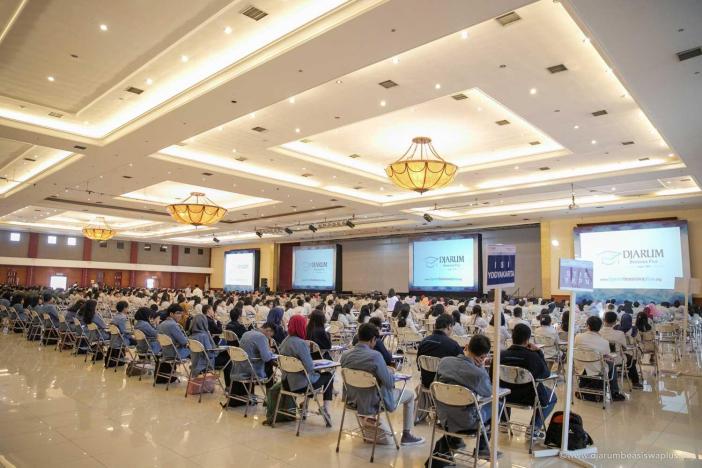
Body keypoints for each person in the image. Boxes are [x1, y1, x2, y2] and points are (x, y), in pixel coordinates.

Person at [340, 323, 425, 446]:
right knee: (410, 395)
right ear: (373, 340)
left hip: (353, 399)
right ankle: (407, 435)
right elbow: (389, 383)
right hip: (373, 401)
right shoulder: (375, 356)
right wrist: (390, 371)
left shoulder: (345, 355)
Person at [430, 334, 501, 461]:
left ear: (467, 347)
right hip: (467, 421)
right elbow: (488, 392)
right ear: (483, 357)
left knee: (455, 404)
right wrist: (482, 368)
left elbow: (435, 387)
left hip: (443, 416)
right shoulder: (478, 374)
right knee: (497, 404)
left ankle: (455, 440)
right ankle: (482, 448)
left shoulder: (444, 362)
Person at [500, 324, 557, 436]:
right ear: (527, 340)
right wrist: (539, 352)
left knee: (505, 384)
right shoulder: (532, 357)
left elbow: (493, 376)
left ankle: (503, 423)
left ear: (512, 337)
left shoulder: (501, 355)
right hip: (529, 397)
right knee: (552, 396)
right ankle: (534, 428)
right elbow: (545, 374)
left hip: (505, 396)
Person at [278, 315, 334, 420]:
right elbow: (309, 368)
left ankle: (305, 405)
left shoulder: (285, 341)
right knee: (328, 376)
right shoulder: (301, 343)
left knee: (312, 377)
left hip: (286, 382)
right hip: (300, 384)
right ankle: (326, 408)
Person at [574, 316, 625, 401]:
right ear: (600, 327)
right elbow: (606, 355)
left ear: (587, 325)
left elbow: (576, 348)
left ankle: (585, 388)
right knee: (612, 364)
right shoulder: (604, 342)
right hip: (596, 369)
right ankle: (614, 393)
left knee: (602, 361)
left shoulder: (578, 337)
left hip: (580, 367)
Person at [417, 315, 463, 388]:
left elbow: (419, 366)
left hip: (426, 384)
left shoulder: (424, 342)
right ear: (449, 326)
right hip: (445, 387)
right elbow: (462, 367)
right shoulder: (453, 345)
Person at [600, 311, 642, 389]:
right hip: (616, 359)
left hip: (601, 358)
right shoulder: (619, 334)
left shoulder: (599, 332)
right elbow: (624, 347)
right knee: (630, 358)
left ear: (604, 320)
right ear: (615, 321)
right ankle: (635, 382)